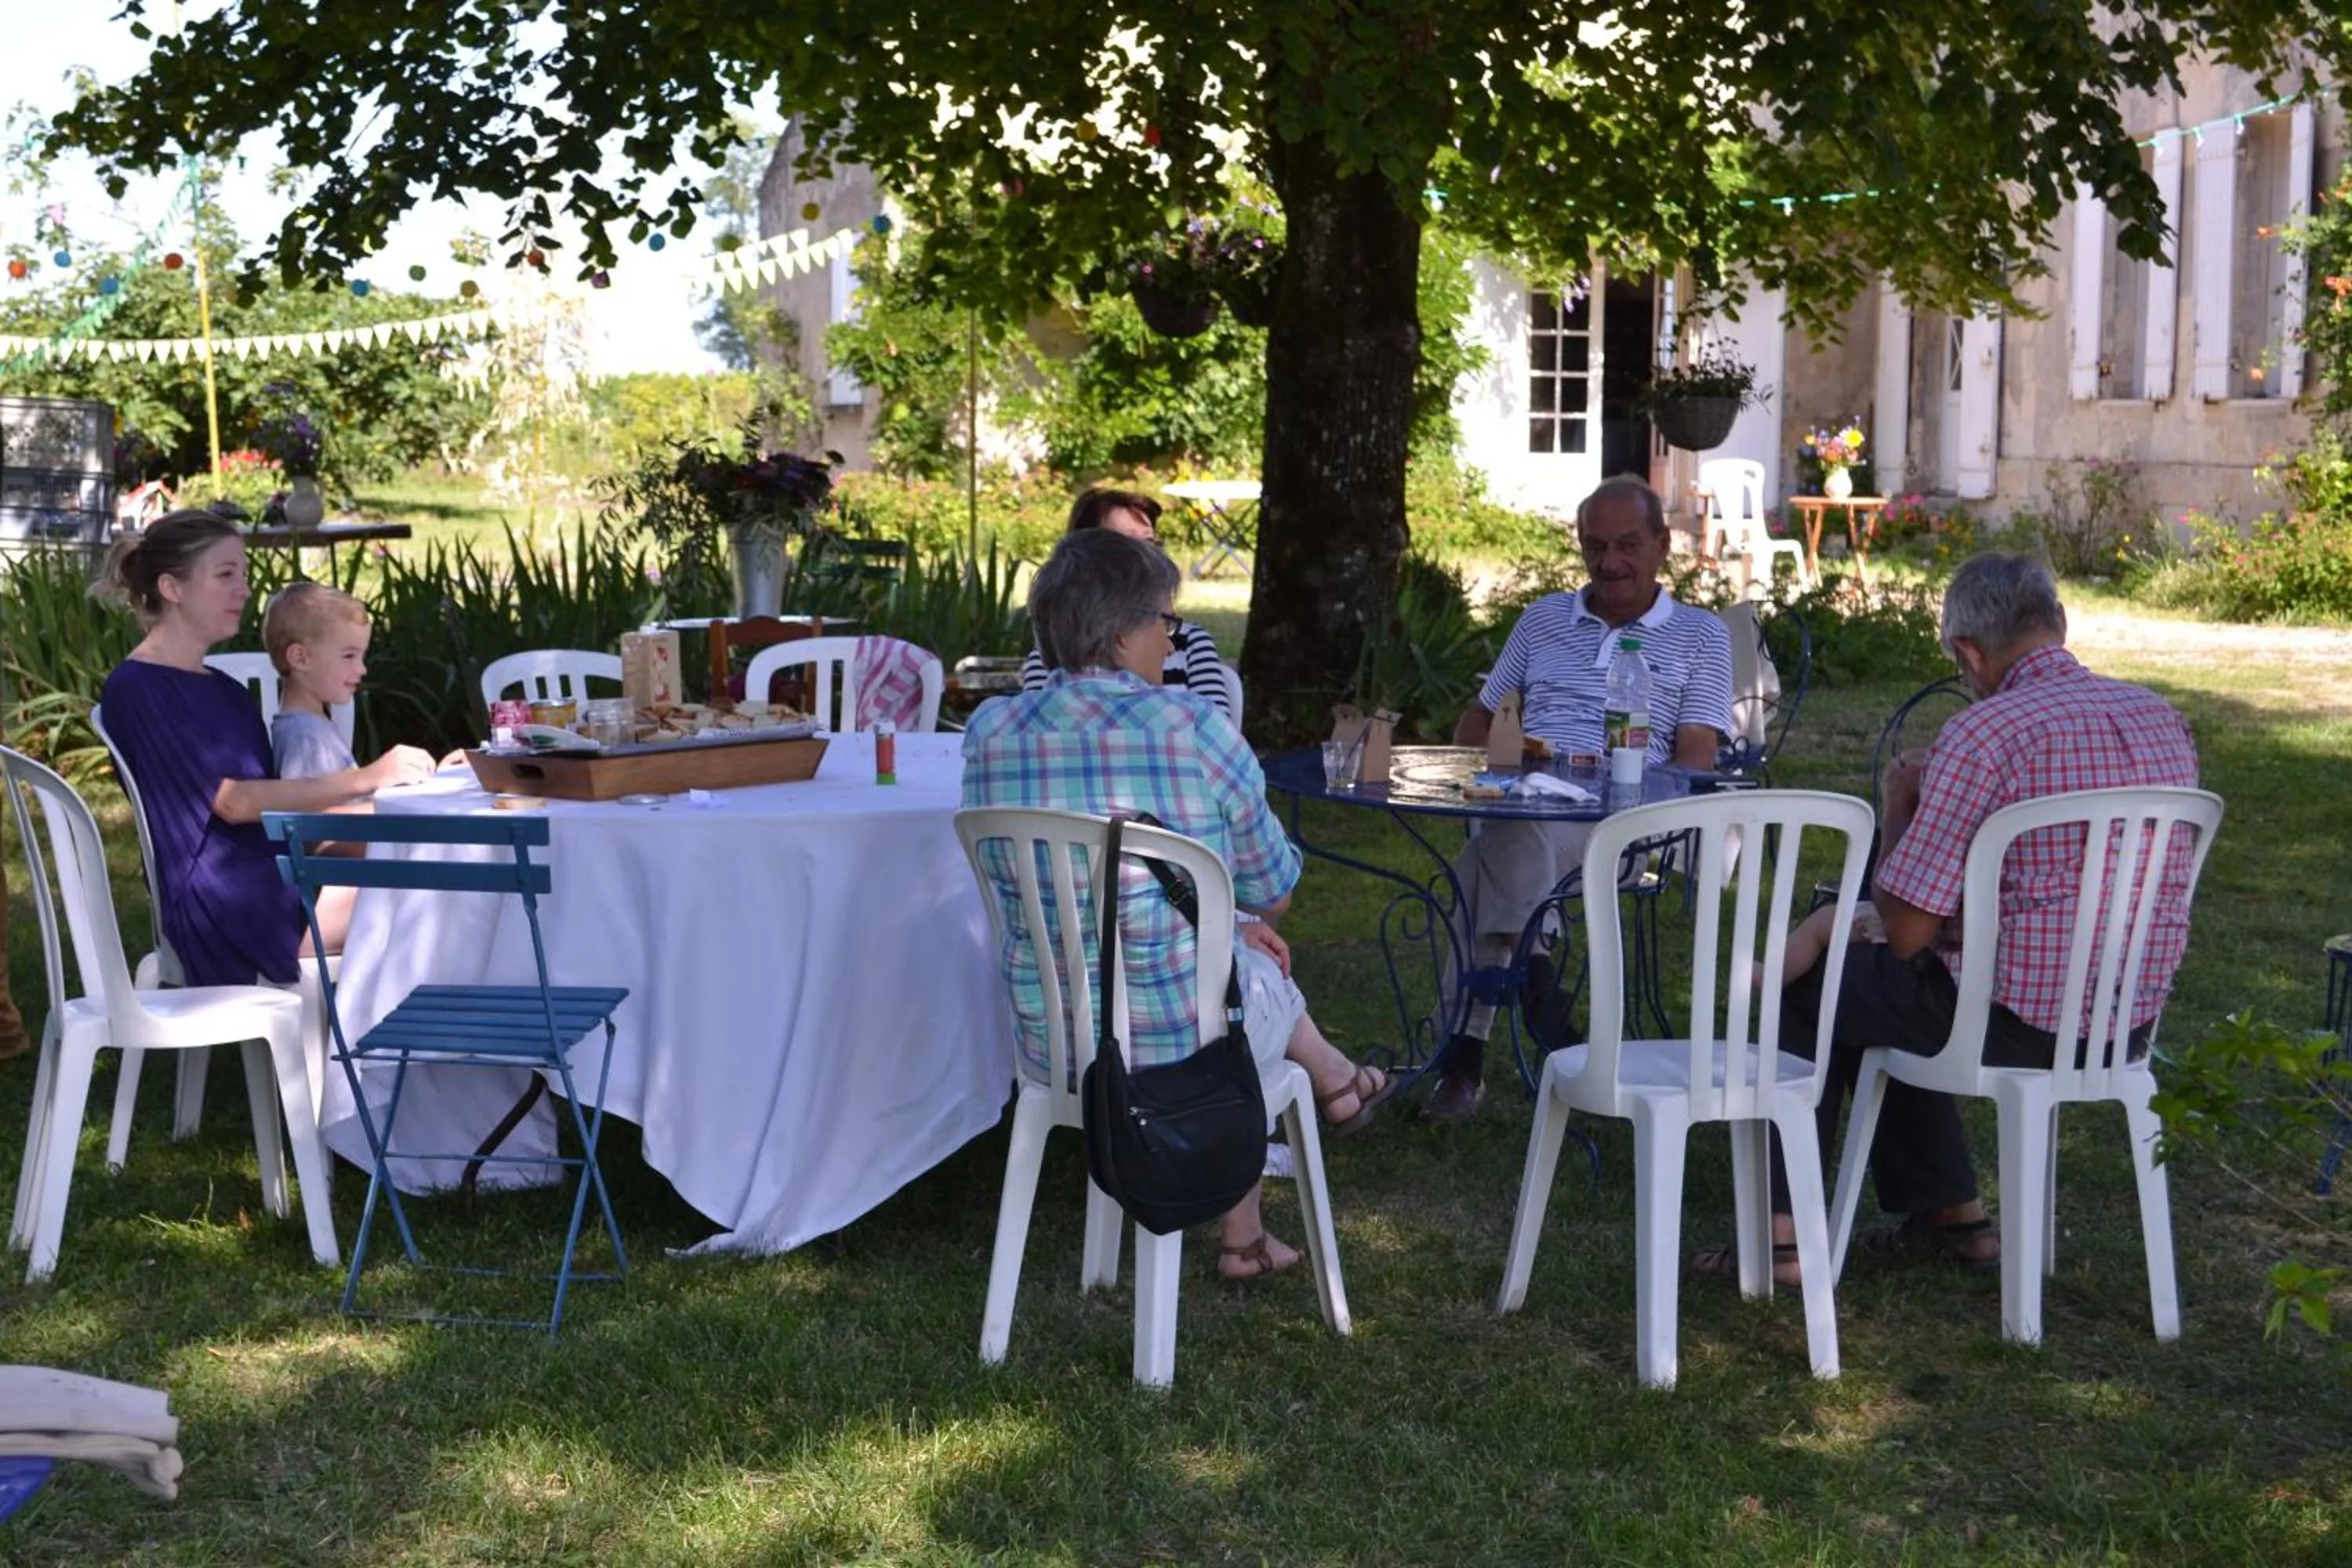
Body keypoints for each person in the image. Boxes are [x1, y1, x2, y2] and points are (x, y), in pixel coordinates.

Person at [1693, 552, 2201, 1287]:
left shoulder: (1984, 733)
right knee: (1898, 987)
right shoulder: (2161, 718)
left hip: (2014, 1022)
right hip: (2124, 1023)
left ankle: (1780, 1241)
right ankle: (1952, 1219)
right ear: (2059, 622)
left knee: (1819, 985)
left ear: (1968, 652)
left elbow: (1905, 931)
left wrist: (1900, 803)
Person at [966, 528, 1395, 1280]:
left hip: (1052, 1037)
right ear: (1122, 633)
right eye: (1166, 621)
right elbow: (1274, 889)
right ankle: (1333, 1083)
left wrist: (1224, 925)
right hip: (1183, 1041)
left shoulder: (990, 731)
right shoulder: (1195, 727)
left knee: (1232, 962)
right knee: (1248, 979)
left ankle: (1253, 1225)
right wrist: (1232, 918)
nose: (1172, 641)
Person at [1426, 476, 1736, 1123]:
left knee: (1489, 852)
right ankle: (1537, 987)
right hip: (1526, 802)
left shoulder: (1701, 635)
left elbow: (1696, 763)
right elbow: (1476, 723)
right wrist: (1504, 758)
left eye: (1628, 545)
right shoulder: (1543, 619)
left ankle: (1467, 1053)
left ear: (1663, 544)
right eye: (1595, 546)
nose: (1609, 562)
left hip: (1625, 824)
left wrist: (1622, 789)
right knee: (1513, 825)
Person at [94, 510, 437, 987]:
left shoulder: (226, 691)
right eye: (226, 575)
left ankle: (403, 1032)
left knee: (443, 868)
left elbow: (280, 804)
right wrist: (370, 777)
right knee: (438, 885)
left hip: (275, 880)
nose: (244, 589)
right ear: (172, 588)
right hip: (229, 907)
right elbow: (235, 802)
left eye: (244, 575)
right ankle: (423, 1034)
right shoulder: (138, 689)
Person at [1018, 488, 1233, 717]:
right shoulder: (1058, 650)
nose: (1146, 557)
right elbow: (1035, 722)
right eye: (1125, 545)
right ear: (1082, 557)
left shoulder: (1189, 640)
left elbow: (1219, 724)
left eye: (1151, 543)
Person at [262, 582, 368, 781]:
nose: (362, 669)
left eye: (362, 657)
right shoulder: (306, 739)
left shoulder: (312, 727)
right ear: (301, 658)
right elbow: (307, 802)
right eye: (349, 656)